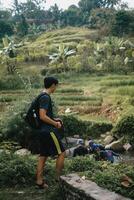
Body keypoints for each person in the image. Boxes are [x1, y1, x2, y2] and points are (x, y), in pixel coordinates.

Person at [36, 77, 65, 189]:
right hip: (48, 131)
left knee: (43, 156)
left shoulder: (40, 95)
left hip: (41, 131)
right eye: (56, 86)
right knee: (62, 153)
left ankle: (39, 181)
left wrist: (54, 119)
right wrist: (55, 124)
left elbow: (44, 115)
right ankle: (58, 179)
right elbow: (42, 116)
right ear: (53, 85)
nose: (56, 88)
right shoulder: (46, 97)